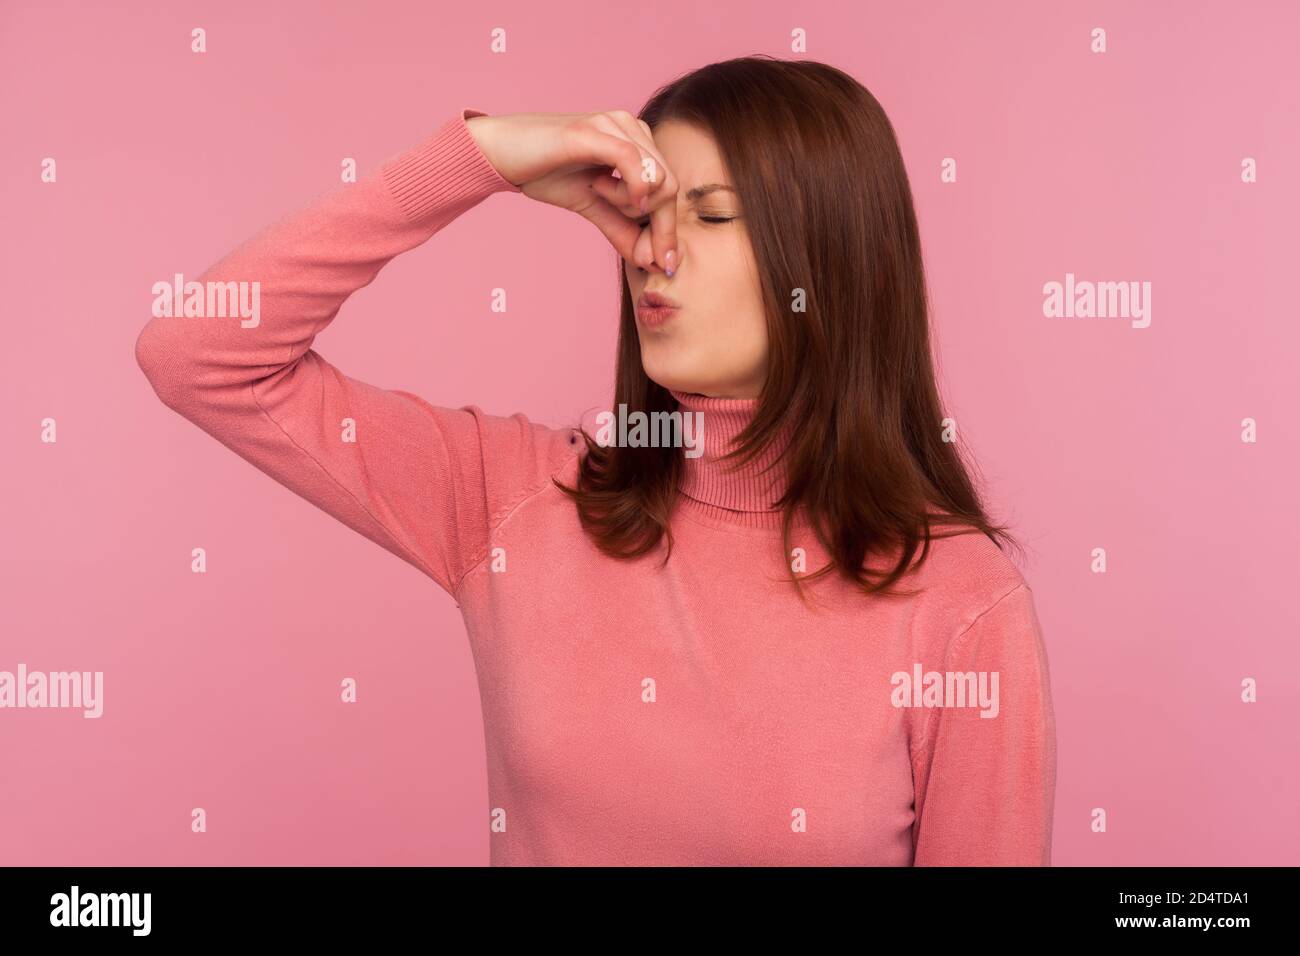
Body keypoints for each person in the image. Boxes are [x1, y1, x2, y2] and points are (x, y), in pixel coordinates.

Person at [135, 55, 1056, 866]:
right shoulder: (521, 501)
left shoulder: (961, 608)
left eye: (714, 214)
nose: (654, 251)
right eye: (649, 213)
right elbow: (197, 354)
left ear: (831, 260)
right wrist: (479, 159)